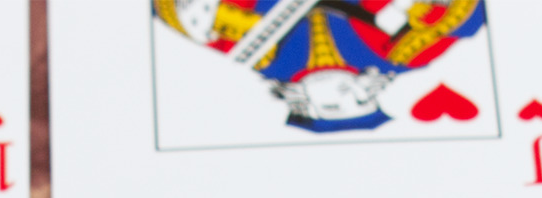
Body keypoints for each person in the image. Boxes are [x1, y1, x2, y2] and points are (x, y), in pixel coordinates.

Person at [153, 0, 487, 133]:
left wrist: (221, 18)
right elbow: (467, 17)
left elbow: (175, 13)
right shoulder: (402, 54)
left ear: (301, 103)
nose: (358, 93)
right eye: (365, 101)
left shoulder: (260, 57)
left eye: (338, 105)